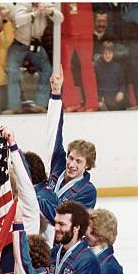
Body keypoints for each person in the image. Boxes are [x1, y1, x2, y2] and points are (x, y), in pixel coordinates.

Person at [45, 68, 97, 210]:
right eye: (71, 158)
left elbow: (71, 220)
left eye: (78, 161)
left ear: (87, 165)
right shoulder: (58, 165)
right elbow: (54, 132)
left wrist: (40, 200)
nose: (71, 164)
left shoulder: (88, 191)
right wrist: (55, 93)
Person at [5, 3, 63, 113]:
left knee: (48, 70)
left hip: (36, 44)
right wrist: (35, 13)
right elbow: (18, 20)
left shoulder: (46, 4)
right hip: (19, 43)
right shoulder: (22, 4)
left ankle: (40, 104)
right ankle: (14, 106)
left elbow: (60, 18)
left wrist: (49, 12)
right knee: (12, 71)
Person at [61, 2, 98, 112]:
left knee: (86, 65)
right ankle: (71, 102)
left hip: (83, 29)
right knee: (65, 66)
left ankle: (91, 103)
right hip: (66, 28)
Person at [94, 42, 126, 111]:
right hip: (101, 98)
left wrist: (121, 92)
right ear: (102, 54)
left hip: (115, 97)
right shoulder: (96, 67)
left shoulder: (117, 67)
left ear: (113, 54)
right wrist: (98, 100)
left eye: (110, 53)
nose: (108, 56)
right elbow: (93, 85)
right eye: (105, 53)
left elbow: (122, 83)